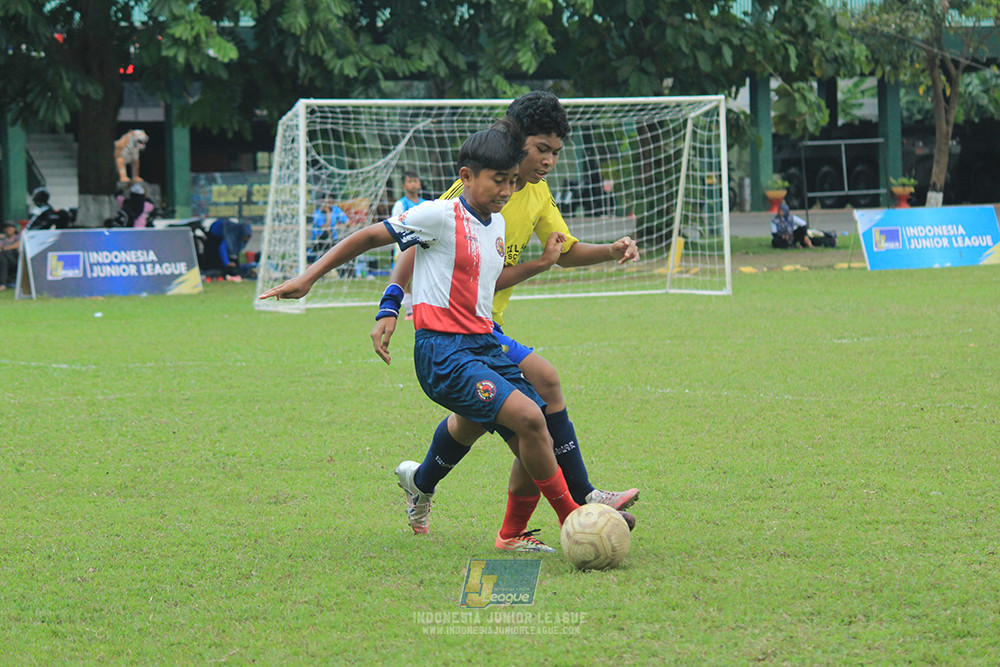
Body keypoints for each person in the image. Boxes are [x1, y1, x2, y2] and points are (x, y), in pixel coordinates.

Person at [260, 120, 585, 531]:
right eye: (498, 181)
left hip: (482, 345)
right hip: (443, 353)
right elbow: (367, 237)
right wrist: (311, 278)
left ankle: (505, 531)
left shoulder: (497, 225)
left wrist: (540, 264)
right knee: (532, 419)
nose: (506, 191)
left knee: (533, 440)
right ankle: (574, 518)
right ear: (466, 176)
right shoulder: (438, 216)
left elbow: (489, 283)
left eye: (511, 182)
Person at [372, 90, 640, 553]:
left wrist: (610, 250)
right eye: (541, 149)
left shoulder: (533, 190)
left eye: (557, 152)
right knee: (539, 394)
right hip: (456, 328)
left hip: (483, 329)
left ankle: (420, 480)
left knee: (474, 423)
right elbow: (416, 240)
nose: (549, 161)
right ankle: (579, 499)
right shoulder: (475, 188)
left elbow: (565, 250)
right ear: (517, 139)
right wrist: (390, 305)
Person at [391, 170, 426, 319]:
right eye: (410, 181)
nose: (413, 184)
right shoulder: (400, 204)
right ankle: (409, 311)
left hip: (423, 245)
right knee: (405, 279)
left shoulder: (426, 204)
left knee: (422, 278)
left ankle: (422, 309)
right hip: (404, 246)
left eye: (415, 181)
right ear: (404, 185)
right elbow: (395, 226)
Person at [309, 195, 348, 262]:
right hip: (319, 241)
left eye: (330, 201)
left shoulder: (336, 210)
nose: (328, 204)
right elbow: (326, 228)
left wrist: (343, 225)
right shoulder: (317, 214)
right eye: (326, 202)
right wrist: (328, 213)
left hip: (333, 240)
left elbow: (347, 222)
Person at [0, 221, 20, 289]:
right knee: (3, 258)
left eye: (10, 227)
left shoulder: (18, 237)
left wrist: (6, 248)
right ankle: (3, 284)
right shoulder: (2, 238)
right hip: (4, 259)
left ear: (14, 229)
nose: (8, 229)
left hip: (15, 259)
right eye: (6, 227)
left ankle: (3, 284)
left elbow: (17, 245)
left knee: (3, 255)